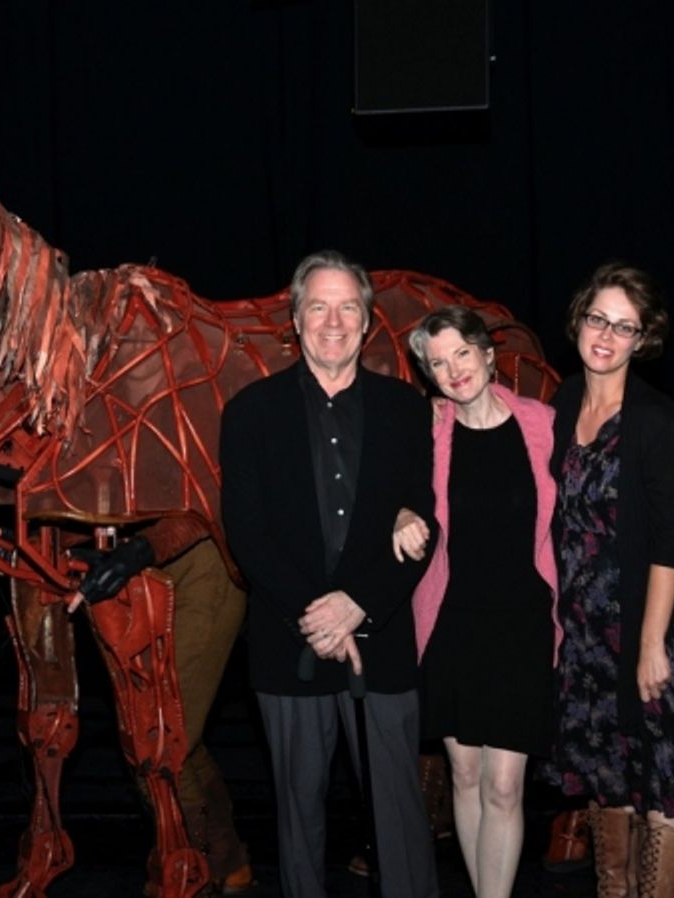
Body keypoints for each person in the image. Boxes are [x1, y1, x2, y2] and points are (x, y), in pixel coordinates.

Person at [219, 250, 439, 898]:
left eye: (348, 306)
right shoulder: (250, 413)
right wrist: (319, 614)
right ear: (295, 318)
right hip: (290, 652)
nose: (334, 320)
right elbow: (248, 535)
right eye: (319, 305)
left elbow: (423, 525)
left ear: (368, 322)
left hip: (384, 646)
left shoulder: (408, 410)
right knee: (298, 822)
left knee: (400, 818)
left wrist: (358, 607)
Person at [541, 263, 674, 898]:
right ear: (579, 319)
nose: (607, 335)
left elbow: (670, 546)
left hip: (645, 624)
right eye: (598, 319)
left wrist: (650, 644)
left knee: (661, 781)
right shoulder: (562, 404)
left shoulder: (659, 423)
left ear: (643, 339)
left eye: (624, 326)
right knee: (605, 776)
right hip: (583, 633)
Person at [396, 306, 562, 898]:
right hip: (449, 623)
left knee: (503, 787)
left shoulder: (543, 424)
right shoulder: (427, 433)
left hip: (521, 625)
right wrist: (402, 513)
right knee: (463, 776)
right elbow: (398, 495)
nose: (452, 369)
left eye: (461, 353)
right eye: (437, 362)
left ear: (488, 355)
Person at [68, 520, 255, 894]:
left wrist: (140, 549)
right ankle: (224, 858)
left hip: (201, 554)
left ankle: (192, 861)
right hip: (123, 561)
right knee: (156, 731)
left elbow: (209, 492)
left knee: (163, 734)